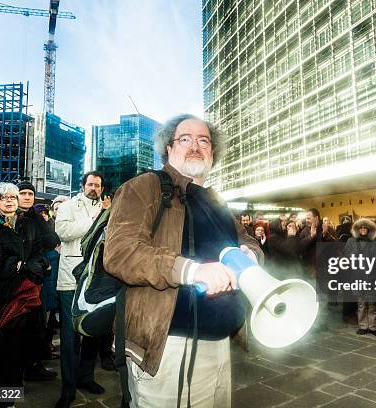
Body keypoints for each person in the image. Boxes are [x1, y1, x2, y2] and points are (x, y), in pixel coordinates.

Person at [104, 114, 263, 407]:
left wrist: (251, 254)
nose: (195, 145)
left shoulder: (217, 201)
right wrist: (191, 270)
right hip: (169, 346)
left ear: (213, 153)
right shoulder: (145, 187)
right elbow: (120, 253)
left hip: (220, 344)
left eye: (204, 140)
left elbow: (247, 240)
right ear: (168, 148)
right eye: (185, 139)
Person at [0, 183, 50, 407]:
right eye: (4, 197)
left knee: (16, 354)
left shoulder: (27, 224)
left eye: (13, 198)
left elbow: (39, 251)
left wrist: (37, 264)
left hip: (21, 300)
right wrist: (20, 265)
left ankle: (10, 401)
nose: (9, 201)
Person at [54, 172, 110, 407]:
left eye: (98, 185)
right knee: (69, 336)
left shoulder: (109, 207)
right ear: (82, 186)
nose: (94, 188)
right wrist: (98, 216)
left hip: (95, 281)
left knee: (92, 332)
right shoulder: (68, 206)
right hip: (70, 279)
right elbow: (63, 232)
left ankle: (86, 377)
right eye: (90, 184)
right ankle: (68, 388)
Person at [16, 181, 60, 382]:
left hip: (35, 280)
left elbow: (52, 239)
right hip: (14, 281)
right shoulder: (8, 216)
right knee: (17, 327)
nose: (27, 197)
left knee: (36, 324)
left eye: (30, 194)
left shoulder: (35, 217)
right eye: (23, 193)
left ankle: (33, 366)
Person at [346, 218, 376, 337]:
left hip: (373, 275)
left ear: (369, 229)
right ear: (357, 229)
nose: (363, 229)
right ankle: (362, 326)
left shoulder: (375, 241)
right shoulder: (351, 241)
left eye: (365, 227)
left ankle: (373, 327)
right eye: (360, 227)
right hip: (357, 275)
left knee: (372, 303)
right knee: (361, 303)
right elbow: (345, 256)